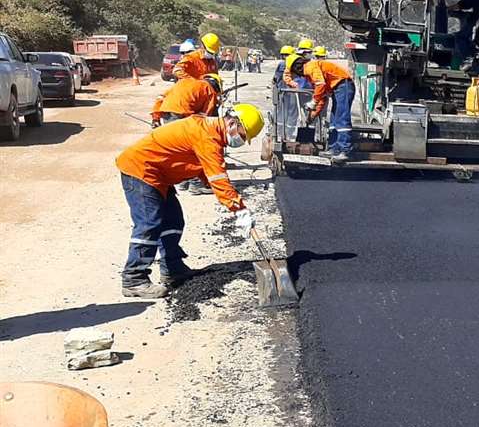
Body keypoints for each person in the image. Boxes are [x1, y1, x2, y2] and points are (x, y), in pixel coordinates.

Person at [115, 104, 264, 298]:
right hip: (140, 171)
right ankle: (134, 278)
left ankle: (172, 268)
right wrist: (239, 209)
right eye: (243, 135)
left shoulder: (210, 133)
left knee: (173, 221)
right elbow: (217, 178)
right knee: (148, 224)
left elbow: (206, 172)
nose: (241, 141)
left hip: (159, 176)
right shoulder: (207, 136)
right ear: (232, 122)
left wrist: (228, 197)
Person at [290, 55, 354, 163]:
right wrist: (313, 114)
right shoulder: (311, 72)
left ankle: (345, 150)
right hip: (338, 88)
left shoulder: (310, 67)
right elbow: (322, 96)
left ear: (296, 69)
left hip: (343, 85)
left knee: (342, 119)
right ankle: (334, 148)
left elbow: (320, 85)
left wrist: (313, 102)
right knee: (334, 121)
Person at [150, 74, 223, 127]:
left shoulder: (184, 81)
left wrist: (155, 119)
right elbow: (206, 115)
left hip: (165, 113)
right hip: (182, 115)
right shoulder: (209, 89)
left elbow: (160, 98)